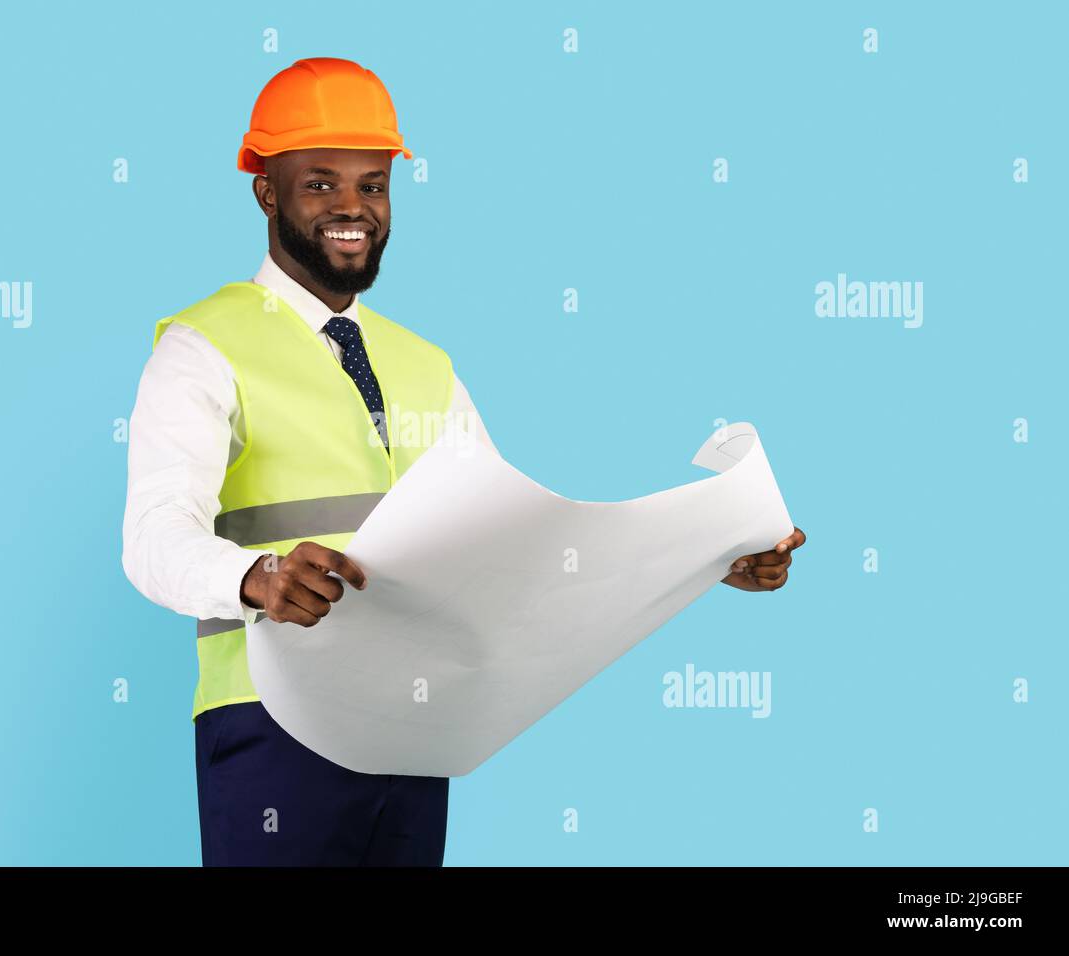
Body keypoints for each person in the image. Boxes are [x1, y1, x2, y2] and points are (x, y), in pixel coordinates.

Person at [122, 56, 806, 867]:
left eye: (372, 185)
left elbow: (518, 547)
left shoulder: (426, 365)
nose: (353, 208)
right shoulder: (205, 347)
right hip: (273, 724)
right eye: (320, 183)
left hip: (417, 728)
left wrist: (703, 558)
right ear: (265, 190)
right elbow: (152, 541)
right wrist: (257, 579)